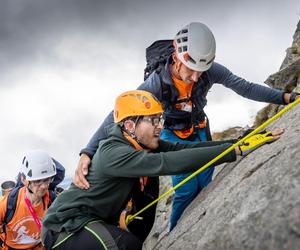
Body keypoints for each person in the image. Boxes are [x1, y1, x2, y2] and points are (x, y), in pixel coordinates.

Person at [74, 22, 299, 231]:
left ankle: (202, 223)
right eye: (190, 69)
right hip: (172, 133)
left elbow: (245, 87)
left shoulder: (209, 71)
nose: (195, 76)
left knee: (205, 178)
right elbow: (117, 115)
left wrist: (286, 97)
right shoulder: (156, 83)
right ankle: (176, 233)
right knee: (185, 189)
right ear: (176, 57)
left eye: (201, 71)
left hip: (200, 127)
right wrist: (88, 152)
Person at [42, 90, 283, 250]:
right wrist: (236, 152)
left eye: (160, 119)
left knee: (138, 231)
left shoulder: (142, 142)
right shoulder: (114, 153)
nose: (160, 126)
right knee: (126, 245)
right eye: (153, 120)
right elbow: (168, 163)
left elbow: (181, 148)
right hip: (64, 227)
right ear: (129, 125)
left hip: (91, 220)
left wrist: (241, 140)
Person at [0, 150, 57, 250]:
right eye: (37, 181)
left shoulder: (52, 201)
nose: (44, 186)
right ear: (24, 180)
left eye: (47, 179)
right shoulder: (9, 202)